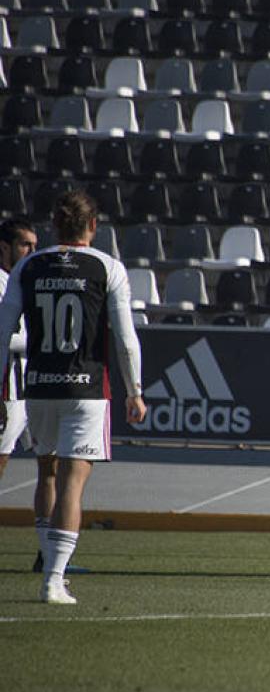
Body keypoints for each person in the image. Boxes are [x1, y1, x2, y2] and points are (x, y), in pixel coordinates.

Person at [0, 191, 146, 605]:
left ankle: (48, 563)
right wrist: (134, 391)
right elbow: (125, 339)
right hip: (85, 389)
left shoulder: (28, 265)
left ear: (54, 226)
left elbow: (2, 331)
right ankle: (54, 578)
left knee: (47, 473)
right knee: (72, 484)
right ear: (93, 226)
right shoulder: (107, 267)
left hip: (38, 388)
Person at [0, 218, 37, 479]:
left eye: (35, 245)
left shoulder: (27, 281)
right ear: (4, 247)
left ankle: (49, 521)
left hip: (33, 384)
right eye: (25, 245)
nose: (32, 252)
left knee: (52, 461)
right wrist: (41, 341)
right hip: (7, 386)